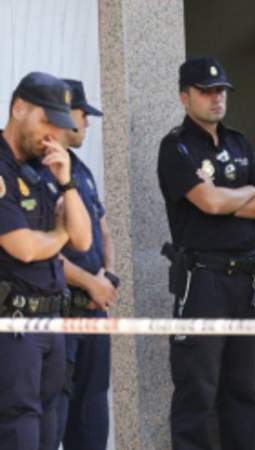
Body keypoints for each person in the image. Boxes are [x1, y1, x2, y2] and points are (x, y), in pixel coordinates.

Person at [157, 56, 255, 450]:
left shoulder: (238, 142)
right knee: (197, 388)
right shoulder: (176, 147)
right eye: (207, 91)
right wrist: (246, 193)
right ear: (185, 97)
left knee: (244, 388)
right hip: (204, 280)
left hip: (247, 279)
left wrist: (227, 198)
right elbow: (208, 204)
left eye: (221, 91)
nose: (217, 98)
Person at [0, 72, 92, 450]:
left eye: (58, 125)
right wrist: (59, 234)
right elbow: (22, 247)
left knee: (49, 429)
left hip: (51, 320)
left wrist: (67, 182)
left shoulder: (45, 165)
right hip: (15, 324)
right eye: (45, 121)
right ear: (19, 108)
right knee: (18, 429)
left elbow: (83, 239)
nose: (52, 134)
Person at [45, 79, 116, 450]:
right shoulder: (39, 172)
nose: (87, 122)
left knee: (91, 420)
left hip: (94, 313)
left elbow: (104, 230)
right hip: (61, 314)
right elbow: (42, 250)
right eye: (82, 114)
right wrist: (91, 283)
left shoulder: (81, 170)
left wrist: (108, 277)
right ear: (61, 114)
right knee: (52, 419)